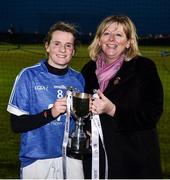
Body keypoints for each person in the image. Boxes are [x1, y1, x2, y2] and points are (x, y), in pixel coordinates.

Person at [81, 15, 164, 179]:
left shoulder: (143, 67)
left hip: (134, 160)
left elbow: (152, 113)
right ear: (99, 39)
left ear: (128, 42)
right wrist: (86, 128)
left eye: (118, 35)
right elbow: (82, 111)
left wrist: (113, 110)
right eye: (106, 34)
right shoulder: (88, 70)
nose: (111, 39)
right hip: (97, 158)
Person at [7, 21, 85, 179]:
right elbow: (17, 124)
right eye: (57, 43)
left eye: (68, 45)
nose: (62, 50)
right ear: (47, 46)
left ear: (74, 50)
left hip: (72, 159)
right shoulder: (28, 76)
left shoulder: (78, 79)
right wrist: (51, 113)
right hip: (36, 160)